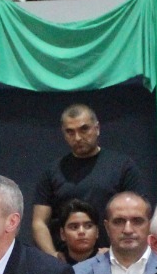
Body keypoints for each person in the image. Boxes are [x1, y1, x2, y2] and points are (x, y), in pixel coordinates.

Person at [31, 104, 143, 257]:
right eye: (70, 132)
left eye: (84, 129)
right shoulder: (52, 171)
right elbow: (39, 222)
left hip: (111, 259)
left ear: (97, 128)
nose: (77, 137)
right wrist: (53, 257)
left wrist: (115, 253)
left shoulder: (122, 166)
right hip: (66, 264)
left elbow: (136, 218)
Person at [55, 198, 101, 266]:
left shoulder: (110, 262)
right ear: (62, 234)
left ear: (97, 232)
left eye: (88, 226)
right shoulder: (52, 266)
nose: (81, 231)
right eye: (74, 227)